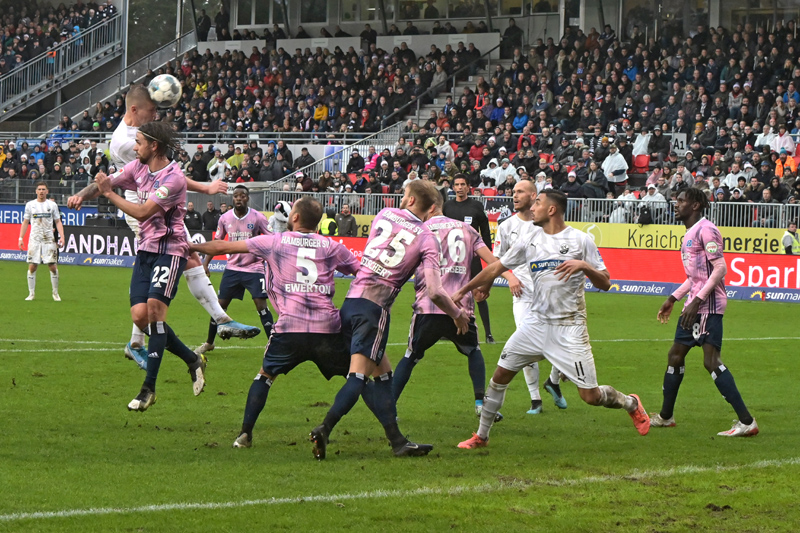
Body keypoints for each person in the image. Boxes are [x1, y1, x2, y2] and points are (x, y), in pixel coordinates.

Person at [453, 190, 651, 449]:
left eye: (537, 203)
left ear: (552, 210)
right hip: (535, 324)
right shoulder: (529, 240)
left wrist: (585, 267)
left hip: (570, 328)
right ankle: (482, 436)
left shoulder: (581, 241)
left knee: (590, 396)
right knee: (500, 376)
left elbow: (605, 282)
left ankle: (630, 403)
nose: (532, 208)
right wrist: (462, 291)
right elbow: (495, 267)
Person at [102, 84, 258, 370]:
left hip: (155, 207)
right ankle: (221, 321)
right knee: (184, 258)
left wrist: (206, 188)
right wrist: (206, 188)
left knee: (180, 262)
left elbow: (169, 175)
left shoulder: (135, 132)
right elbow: (166, 177)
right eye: (152, 111)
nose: (155, 117)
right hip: (145, 211)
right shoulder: (127, 142)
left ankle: (139, 342)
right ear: (134, 110)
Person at [310, 181, 470, 459]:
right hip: (375, 310)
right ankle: (324, 427)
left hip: (351, 303)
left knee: (383, 375)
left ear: (408, 200)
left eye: (405, 195)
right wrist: (458, 315)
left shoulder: (384, 215)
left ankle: (398, 441)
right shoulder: (426, 237)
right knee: (358, 376)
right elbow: (435, 290)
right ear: (432, 208)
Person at [190, 198, 362, 448]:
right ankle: (381, 430)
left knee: (265, 376)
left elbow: (222, 245)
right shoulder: (331, 246)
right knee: (357, 375)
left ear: (295, 218)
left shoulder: (274, 241)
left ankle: (245, 435)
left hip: (290, 326)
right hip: (327, 327)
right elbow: (361, 272)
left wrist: (188, 246)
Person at [71, 122, 208, 411]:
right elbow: (106, 182)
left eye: (139, 142)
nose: (135, 147)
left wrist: (109, 194)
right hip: (145, 250)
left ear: (154, 146)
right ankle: (192, 359)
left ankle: (148, 389)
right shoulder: (137, 167)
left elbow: (144, 213)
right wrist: (82, 195)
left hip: (170, 251)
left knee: (156, 314)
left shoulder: (174, 179)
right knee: (139, 317)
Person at [652, 188, 758, 437]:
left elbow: (720, 269)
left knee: (711, 362)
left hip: (708, 306)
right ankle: (666, 416)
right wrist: (672, 298)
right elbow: (695, 277)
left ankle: (747, 421)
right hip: (695, 304)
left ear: (696, 205)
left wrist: (697, 301)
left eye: (681, 200)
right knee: (675, 356)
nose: (676, 204)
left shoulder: (706, 229)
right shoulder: (689, 233)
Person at [392, 194, 503, 420]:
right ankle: (481, 405)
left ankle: (388, 406)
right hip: (460, 307)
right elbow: (495, 264)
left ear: (430, 207)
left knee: (411, 356)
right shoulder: (467, 230)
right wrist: (487, 286)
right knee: (473, 351)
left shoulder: (420, 230)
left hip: (428, 306)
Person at [493, 180, 568, 414]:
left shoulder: (544, 225)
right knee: (527, 345)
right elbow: (496, 260)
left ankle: (553, 382)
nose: (514, 195)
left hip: (550, 293)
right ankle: (535, 399)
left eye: (520, 192)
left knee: (564, 341)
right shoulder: (506, 226)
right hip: (522, 294)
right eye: (513, 192)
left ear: (533, 195)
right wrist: (510, 277)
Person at [196, 185, 275, 356]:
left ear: (247, 198)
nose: (239, 198)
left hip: (254, 268)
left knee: (261, 305)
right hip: (232, 268)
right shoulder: (224, 218)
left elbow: (271, 240)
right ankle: (209, 343)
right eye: (236, 196)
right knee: (218, 306)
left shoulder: (258, 217)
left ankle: (272, 345)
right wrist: (205, 263)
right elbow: (217, 241)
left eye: (242, 196)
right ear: (233, 198)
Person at [443, 174, 495, 343]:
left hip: (472, 257)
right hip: (450, 258)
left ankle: (488, 333)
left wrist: (487, 254)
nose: (459, 187)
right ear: (453, 187)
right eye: (456, 184)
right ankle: (446, 329)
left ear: (468, 187)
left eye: (462, 184)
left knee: (479, 293)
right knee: (446, 292)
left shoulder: (476, 206)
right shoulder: (447, 207)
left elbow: (485, 232)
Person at [19, 182, 64, 301]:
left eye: (43, 189)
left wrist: (62, 237)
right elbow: (25, 222)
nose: (41, 191)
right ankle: (31, 294)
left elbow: (58, 222)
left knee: (52, 266)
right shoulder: (30, 205)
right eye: (39, 189)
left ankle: (55, 293)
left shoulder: (52, 205)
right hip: (35, 238)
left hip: (49, 238)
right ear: (36, 191)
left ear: (47, 191)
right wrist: (20, 238)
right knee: (33, 266)